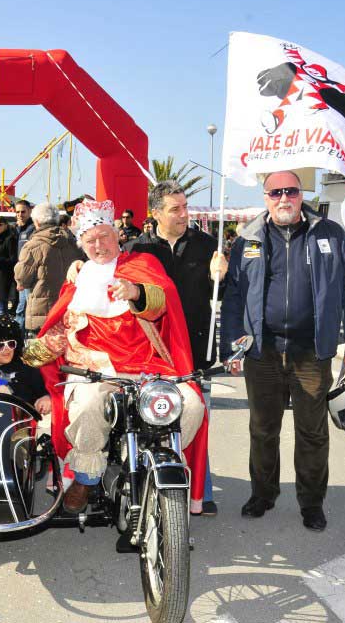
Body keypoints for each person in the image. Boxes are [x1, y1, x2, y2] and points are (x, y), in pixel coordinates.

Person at [23, 199, 206, 514]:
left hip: (148, 365)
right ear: (80, 243)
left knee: (191, 405)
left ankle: (160, 462)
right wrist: (31, 353)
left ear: (118, 235)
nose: (98, 244)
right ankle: (86, 475)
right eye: (90, 239)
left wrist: (136, 293)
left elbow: (161, 302)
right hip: (93, 367)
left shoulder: (142, 264)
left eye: (104, 236)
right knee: (89, 405)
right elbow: (63, 325)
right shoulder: (78, 278)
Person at [220, 170, 345, 532]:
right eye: (275, 193)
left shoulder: (331, 236)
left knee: (313, 432)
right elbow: (235, 297)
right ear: (266, 197)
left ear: (302, 195)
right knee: (263, 429)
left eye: (291, 191)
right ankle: (264, 493)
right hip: (263, 353)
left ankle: (312, 502)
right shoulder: (248, 239)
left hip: (311, 353)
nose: (283, 198)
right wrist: (233, 347)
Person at [126, 180, 228, 516]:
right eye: (176, 209)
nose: (184, 214)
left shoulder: (206, 245)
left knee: (197, 419)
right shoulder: (137, 250)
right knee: (149, 422)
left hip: (195, 353)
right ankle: (147, 487)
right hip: (151, 354)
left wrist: (222, 276)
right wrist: (78, 265)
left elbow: (225, 295)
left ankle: (203, 489)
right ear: (155, 213)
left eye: (185, 207)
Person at [14, 202, 83, 334]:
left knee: (43, 351)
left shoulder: (33, 245)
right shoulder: (71, 242)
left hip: (43, 312)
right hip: (68, 308)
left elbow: (22, 278)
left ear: (37, 222)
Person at [0, 315, 51, 412]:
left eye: (11, 344)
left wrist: (47, 398)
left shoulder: (27, 369)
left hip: (21, 425)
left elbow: (44, 391)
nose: (7, 349)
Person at [13, 200, 35, 327]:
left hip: (28, 276)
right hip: (20, 274)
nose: (20, 214)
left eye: (23, 212)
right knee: (22, 308)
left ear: (30, 211)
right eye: (17, 212)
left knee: (23, 309)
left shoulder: (33, 229)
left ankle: (20, 339)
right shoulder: (18, 229)